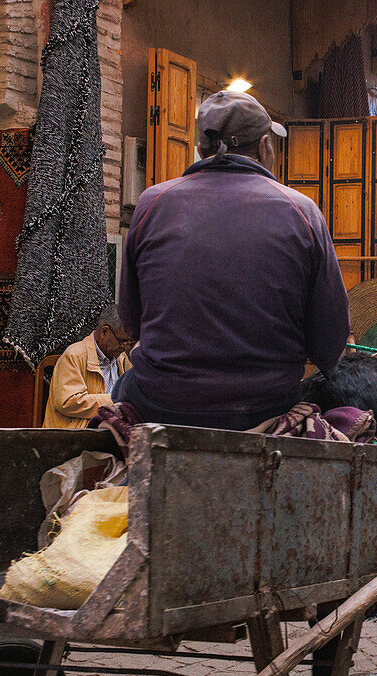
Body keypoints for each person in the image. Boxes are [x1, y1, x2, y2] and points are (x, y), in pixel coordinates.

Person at [115, 90, 350, 430]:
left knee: (123, 385)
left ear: (200, 149)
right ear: (265, 146)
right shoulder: (302, 212)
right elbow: (330, 341)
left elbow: (132, 322)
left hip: (160, 403)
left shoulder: (152, 203)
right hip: (264, 407)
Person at [43, 305, 133, 429]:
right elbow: (68, 402)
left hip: (106, 432)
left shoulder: (123, 359)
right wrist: (116, 401)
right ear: (104, 332)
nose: (126, 347)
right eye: (122, 341)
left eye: (129, 342)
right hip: (75, 435)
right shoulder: (74, 356)